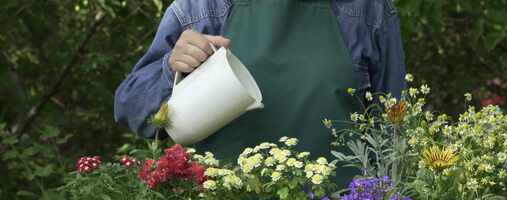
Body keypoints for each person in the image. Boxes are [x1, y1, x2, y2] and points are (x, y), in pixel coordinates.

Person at [115, 0, 406, 171]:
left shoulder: (368, 11)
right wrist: (171, 69)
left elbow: (393, 135)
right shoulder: (201, 9)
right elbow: (130, 109)